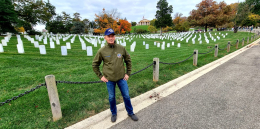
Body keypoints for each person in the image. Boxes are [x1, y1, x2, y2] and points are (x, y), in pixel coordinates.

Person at [92, 28, 138, 122]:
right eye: (109, 36)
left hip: (122, 78)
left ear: (114, 36)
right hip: (109, 79)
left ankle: (130, 112)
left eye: (112, 36)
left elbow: (128, 61)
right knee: (111, 97)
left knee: (126, 96)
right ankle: (114, 113)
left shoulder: (121, 48)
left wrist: (128, 73)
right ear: (105, 38)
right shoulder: (102, 51)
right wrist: (100, 76)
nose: (111, 38)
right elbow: (95, 64)